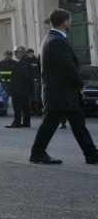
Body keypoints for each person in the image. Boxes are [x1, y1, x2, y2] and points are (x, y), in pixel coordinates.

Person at [28, 9, 98, 165]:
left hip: (60, 93)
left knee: (75, 123)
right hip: (61, 93)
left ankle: (91, 154)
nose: (71, 22)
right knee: (57, 124)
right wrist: (80, 84)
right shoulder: (56, 40)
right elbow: (68, 67)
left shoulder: (51, 38)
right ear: (65, 22)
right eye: (69, 20)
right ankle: (37, 153)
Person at [26, 48, 42, 115]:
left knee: (36, 96)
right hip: (28, 80)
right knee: (30, 96)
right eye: (29, 53)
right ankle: (32, 110)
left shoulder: (36, 60)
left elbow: (40, 69)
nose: (30, 54)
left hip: (36, 80)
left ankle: (38, 110)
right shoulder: (26, 61)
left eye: (31, 52)